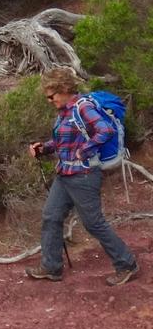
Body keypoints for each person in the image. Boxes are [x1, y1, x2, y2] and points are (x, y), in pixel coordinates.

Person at [25, 66, 140, 286]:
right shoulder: (64, 112)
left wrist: (85, 150)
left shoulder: (83, 107)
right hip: (65, 174)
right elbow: (64, 142)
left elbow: (105, 130)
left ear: (65, 88)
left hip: (84, 175)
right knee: (51, 216)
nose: (49, 100)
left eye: (52, 95)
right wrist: (45, 148)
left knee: (94, 223)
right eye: (47, 97)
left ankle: (127, 264)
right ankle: (51, 267)